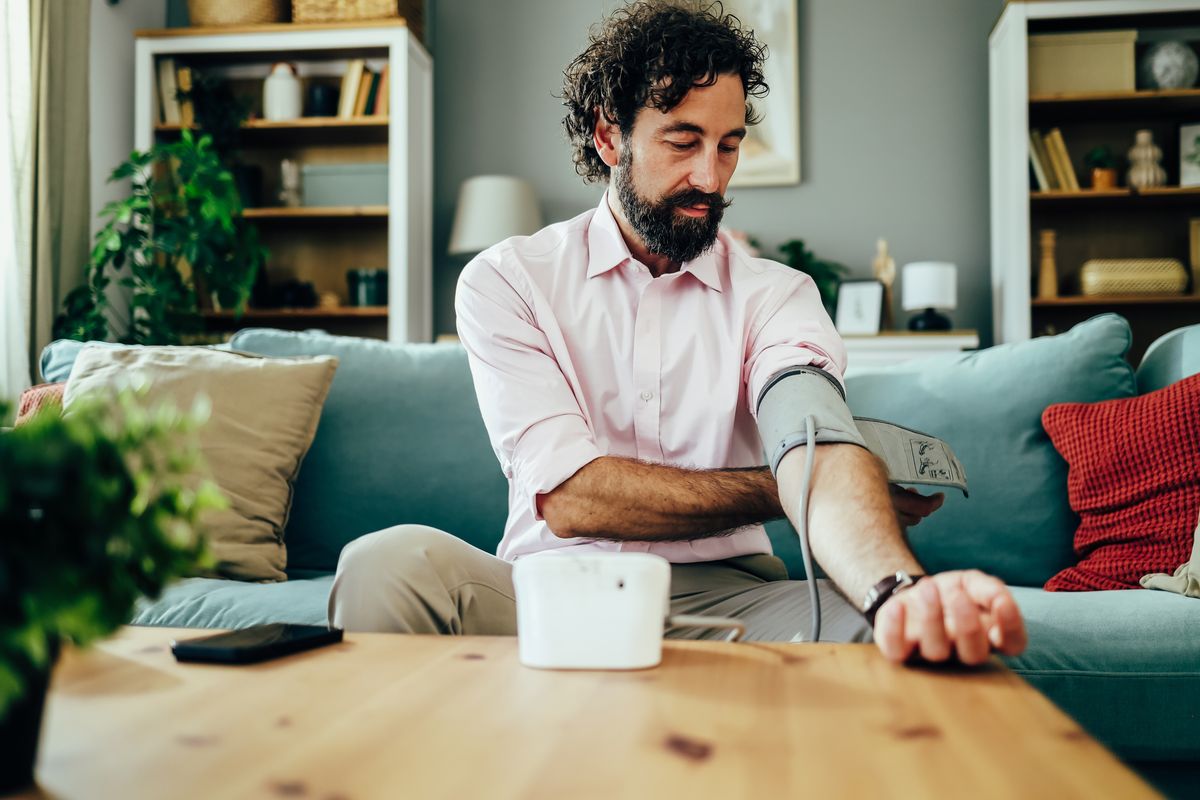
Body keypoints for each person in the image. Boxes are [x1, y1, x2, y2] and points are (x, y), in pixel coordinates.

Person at [328, 1, 1027, 666]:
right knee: (387, 564)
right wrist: (783, 486)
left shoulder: (779, 296)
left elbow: (813, 437)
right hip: (549, 591)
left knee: (887, 638)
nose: (710, 176)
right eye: (683, 140)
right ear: (610, 136)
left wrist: (897, 589)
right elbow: (572, 499)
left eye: (728, 146)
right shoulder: (509, 279)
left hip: (733, 596)